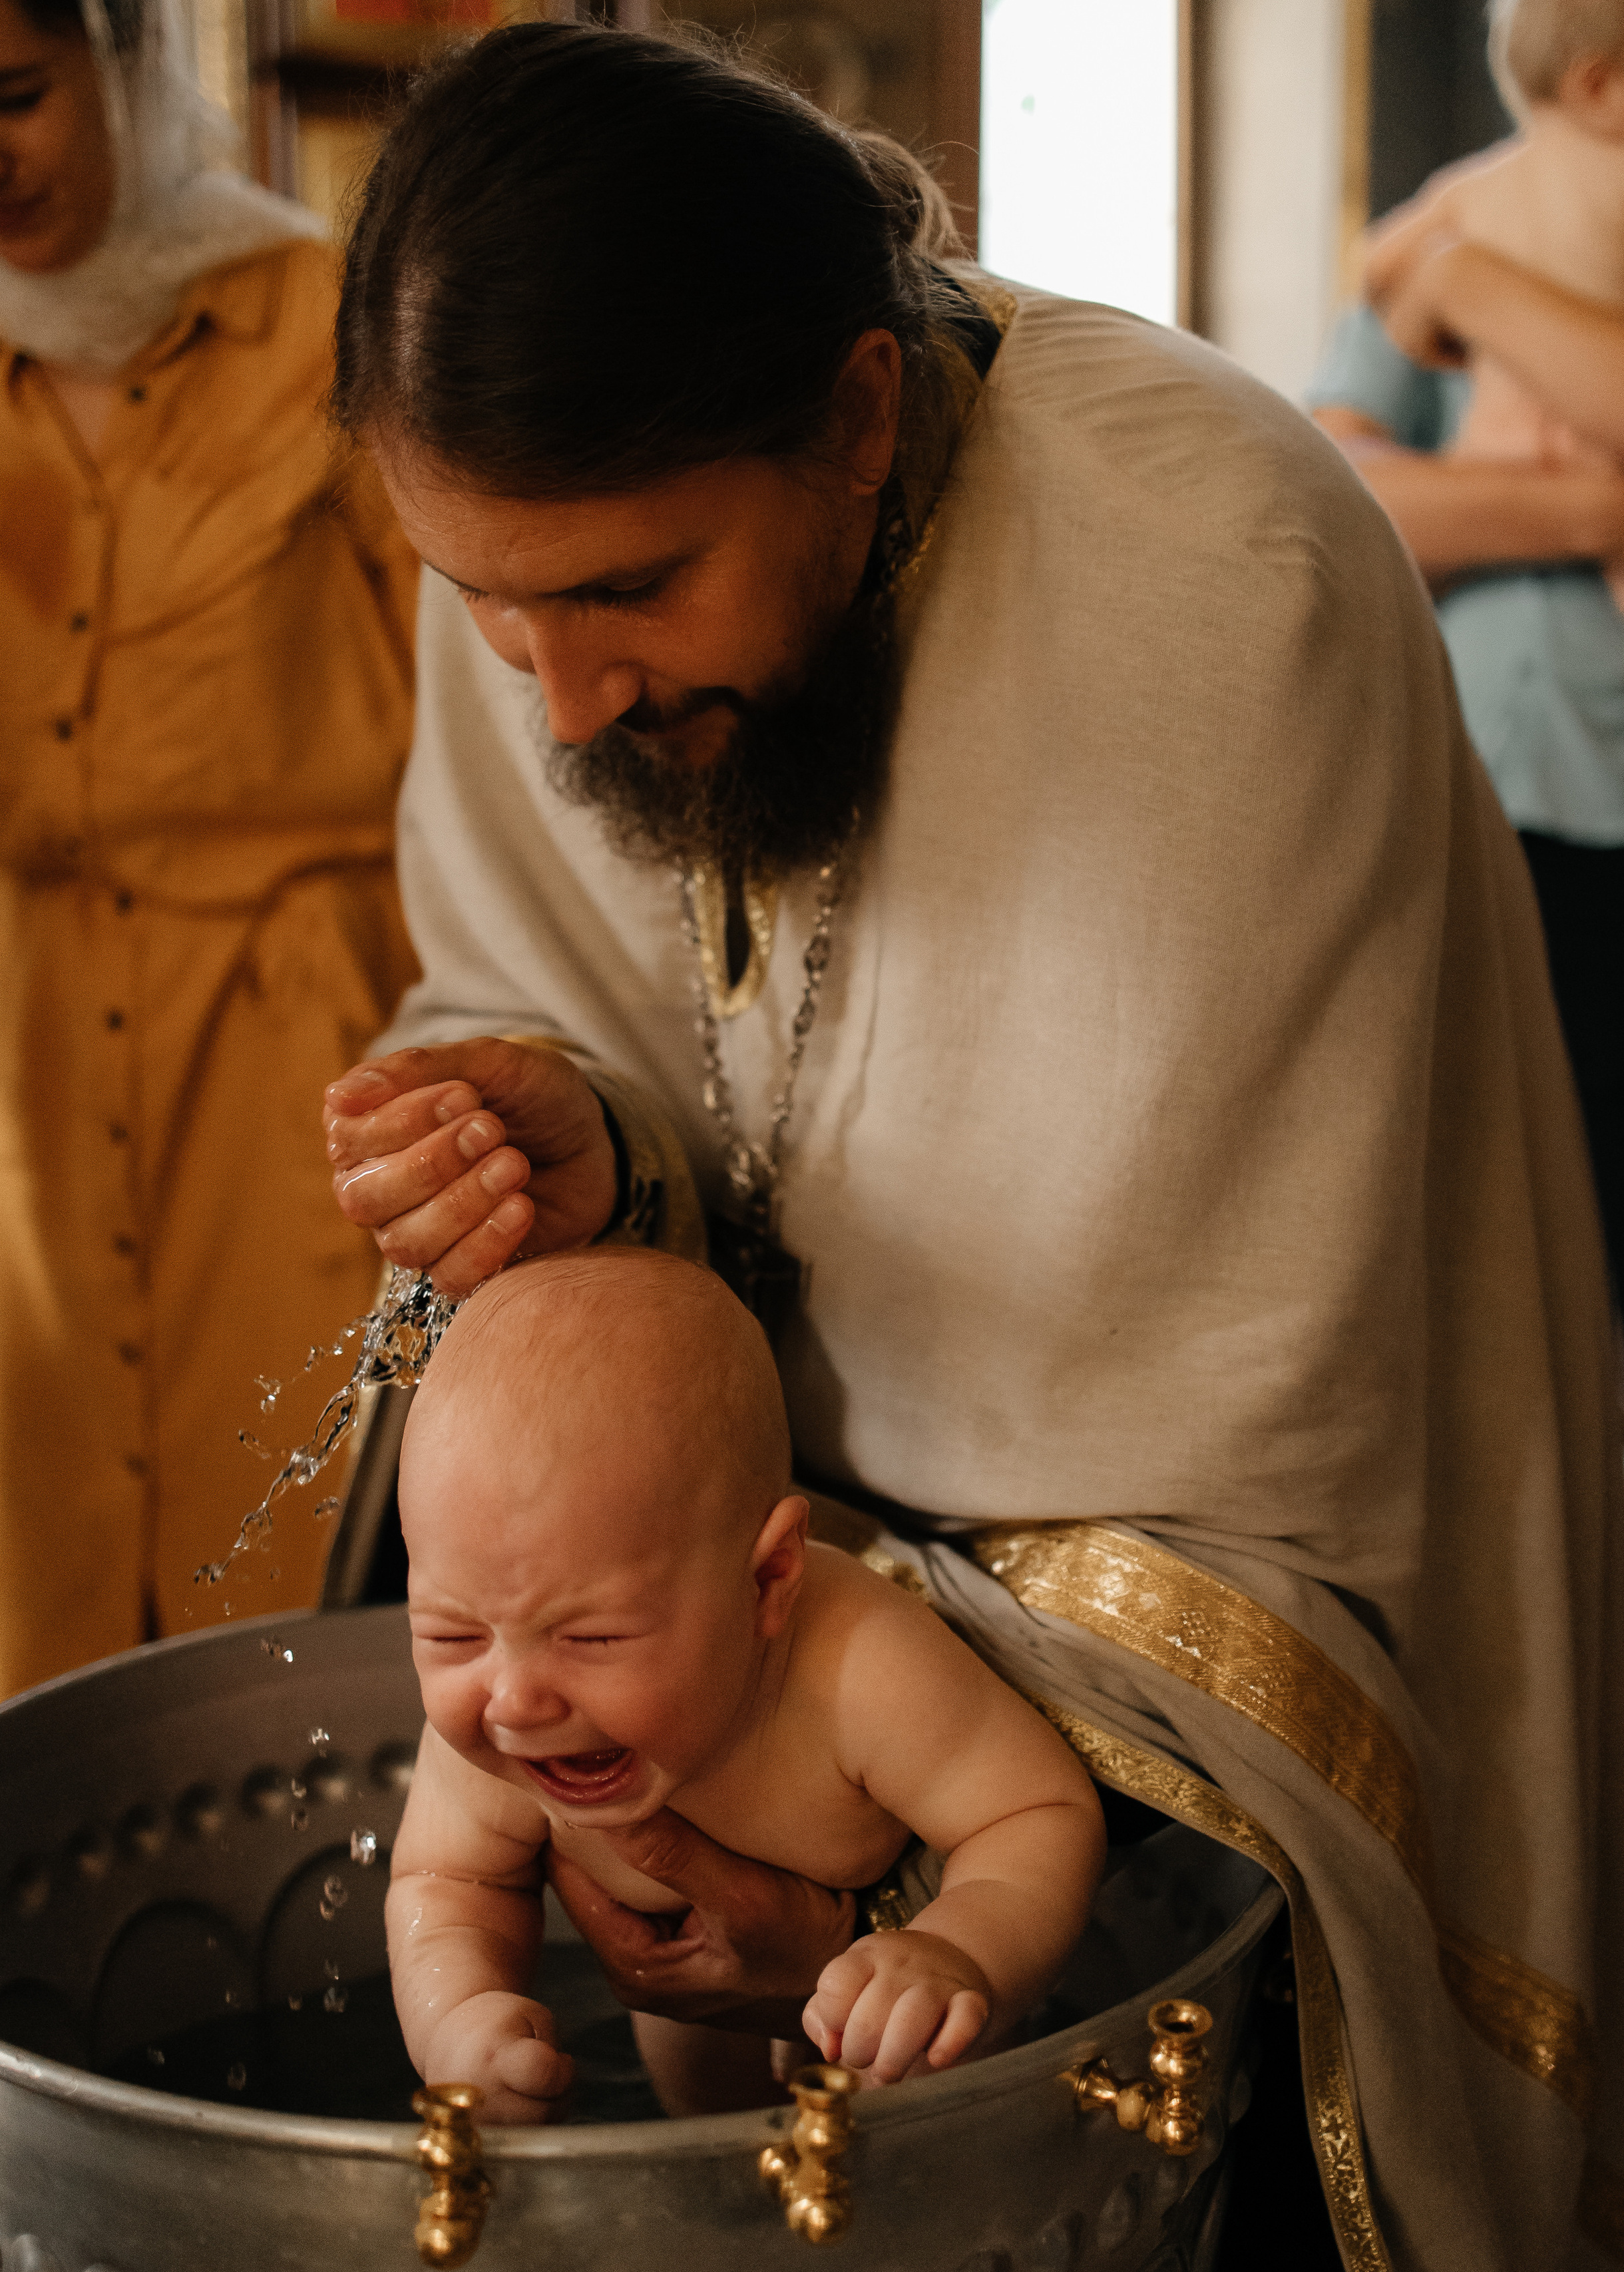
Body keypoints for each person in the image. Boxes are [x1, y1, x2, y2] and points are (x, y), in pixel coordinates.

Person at [323, 23, 1622, 2268]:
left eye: (631, 591)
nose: (563, 698)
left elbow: (1219, 1417)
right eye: (487, 611)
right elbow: (589, 1017)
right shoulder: (543, 562)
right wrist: (578, 1156)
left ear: (857, 417)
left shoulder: (1219, 582)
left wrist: (889, 1848)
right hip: (704, 1605)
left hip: (1128, 1733)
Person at [0, 0, 419, 1739]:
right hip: (22, 1035)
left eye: (7, 94)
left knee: (287, 1549)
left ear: (126, 62)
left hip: (304, 1029)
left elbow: (484, 732)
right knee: (19, 1566)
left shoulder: (319, 320)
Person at [389, 1246, 1104, 2122]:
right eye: (451, 1634)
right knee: (715, 2148)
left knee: (926, 2082)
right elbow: (447, 1885)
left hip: (900, 1990)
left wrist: (962, 1951)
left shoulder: (859, 1667)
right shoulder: (494, 1736)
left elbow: (1034, 1812)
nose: (513, 1700)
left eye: (592, 1636)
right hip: (688, 2002)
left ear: (768, 1581)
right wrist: (457, 2021)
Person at [1310, 0, 1624, 1296]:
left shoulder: (1458, 249)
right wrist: (1587, 507)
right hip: (1512, 774)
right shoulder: (1465, 214)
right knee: (1530, 1198)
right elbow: (1331, 495)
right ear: (1600, 84)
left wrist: (1473, 294)